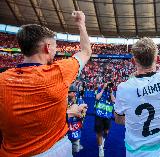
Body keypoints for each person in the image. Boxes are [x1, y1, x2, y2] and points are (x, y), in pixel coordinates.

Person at [0, 11, 92, 156]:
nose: (56, 51)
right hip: (52, 151)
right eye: (55, 47)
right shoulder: (59, 72)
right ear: (47, 47)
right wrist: (81, 23)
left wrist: (68, 112)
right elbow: (86, 52)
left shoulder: (2, 79)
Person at [114, 38, 160, 157]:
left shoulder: (125, 88)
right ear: (157, 58)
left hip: (139, 153)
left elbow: (118, 119)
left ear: (133, 61)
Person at [95, 82, 116, 157]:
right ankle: (100, 148)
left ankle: (103, 140)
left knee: (106, 132)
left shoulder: (112, 92)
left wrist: (111, 93)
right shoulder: (100, 89)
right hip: (99, 115)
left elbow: (114, 101)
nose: (109, 87)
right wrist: (103, 89)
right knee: (99, 132)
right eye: (108, 85)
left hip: (108, 116)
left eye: (110, 86)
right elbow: (97, 97)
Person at [67, 84, 88, 155]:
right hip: (66, 130)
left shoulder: (81, 102)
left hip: (76, 129)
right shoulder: (65, 102)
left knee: (75, 150)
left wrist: (81, 115)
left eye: (69, 92)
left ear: (74, 93)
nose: (67, 94)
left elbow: (83, 115)